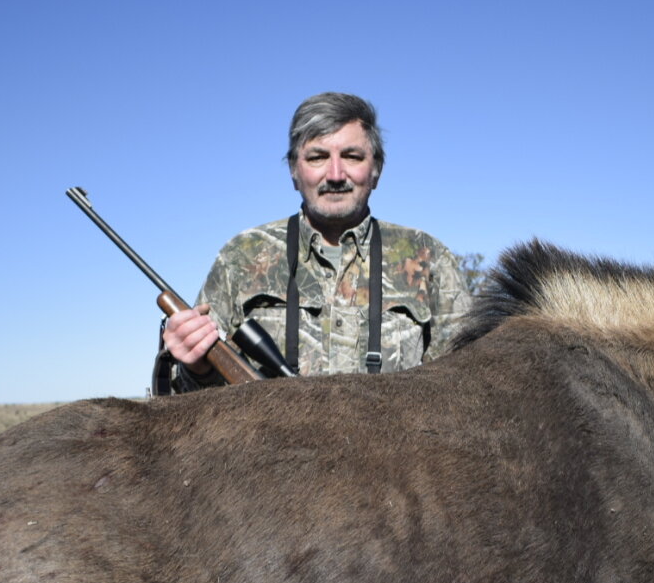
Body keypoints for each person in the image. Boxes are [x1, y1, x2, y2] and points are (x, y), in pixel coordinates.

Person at [160, 93, 473, 390]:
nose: (335, 174)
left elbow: (466, 386)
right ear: (294, 172)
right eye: (317, 157)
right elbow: (184, 397)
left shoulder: (429, 257)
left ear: (376, 170)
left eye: (352, 156)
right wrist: (195, 367)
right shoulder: (242, 257)